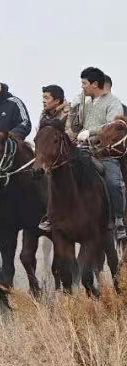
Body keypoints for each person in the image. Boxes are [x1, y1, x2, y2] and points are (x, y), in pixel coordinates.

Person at [66, 67, 125, 239]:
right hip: (82, 149)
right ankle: (53, 215)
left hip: (104, 152)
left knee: (113, 183)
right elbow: (75, 128)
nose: (82, 87)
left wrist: (90, 132)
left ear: (95, 84)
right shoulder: (84, 100)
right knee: (59, 173)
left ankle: (119, 220)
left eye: (84, 83)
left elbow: (112, 126)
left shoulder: (114, 102)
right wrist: (74, 109)